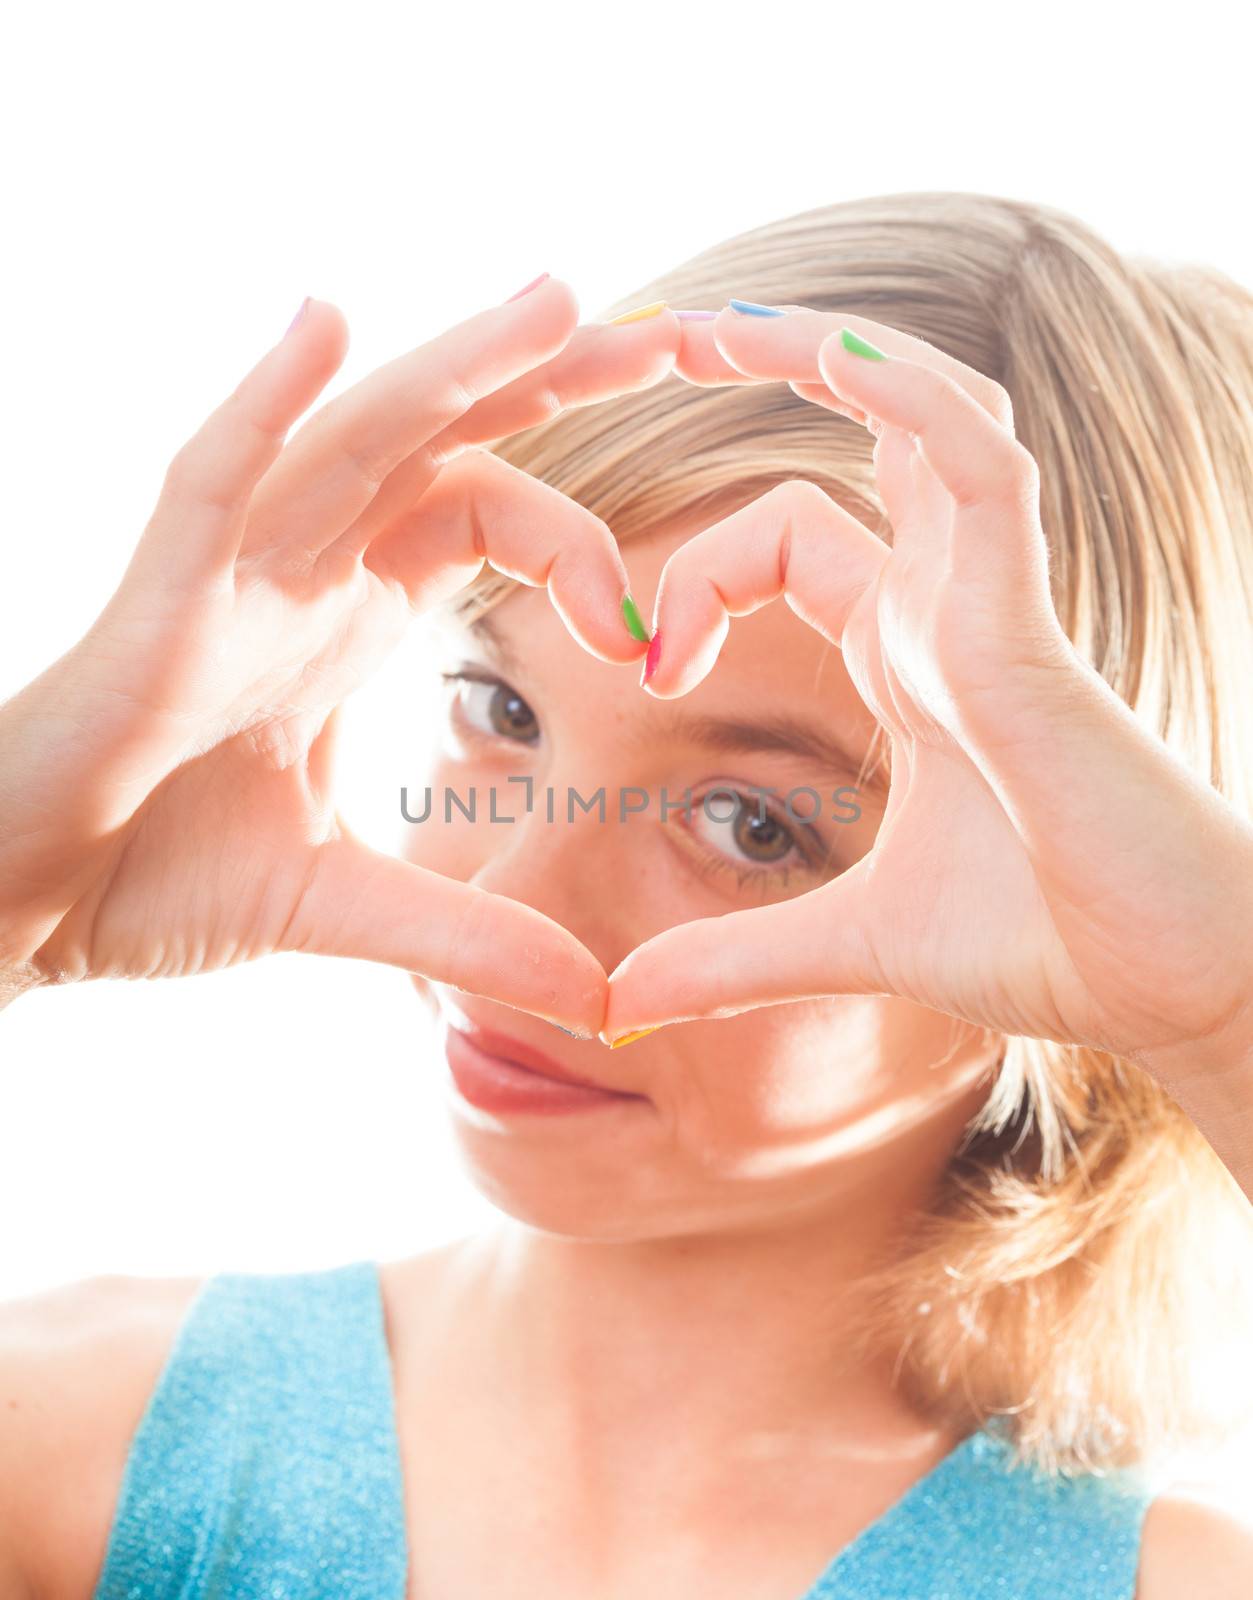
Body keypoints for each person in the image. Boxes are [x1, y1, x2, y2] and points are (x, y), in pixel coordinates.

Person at [2, 192, 1253, 1598]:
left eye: (752, 823)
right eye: (501, 706)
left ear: (1088, 907)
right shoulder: (62, 1451)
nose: (519, 901)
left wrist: (1221, 1009)